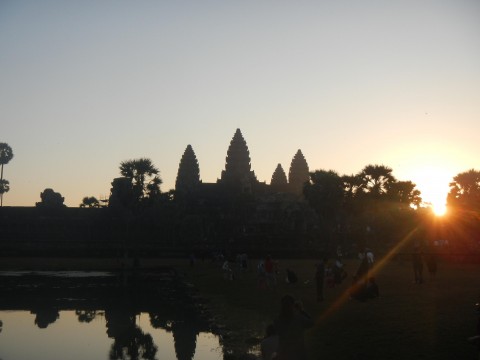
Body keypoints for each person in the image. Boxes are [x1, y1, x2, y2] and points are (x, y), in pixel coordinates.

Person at [273, 295, 313, 360]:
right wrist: (301, 310)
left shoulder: (277, 320)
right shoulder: (299, 318)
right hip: (299, 353)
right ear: (292, 306)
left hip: (284, 353)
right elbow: (311, 323)